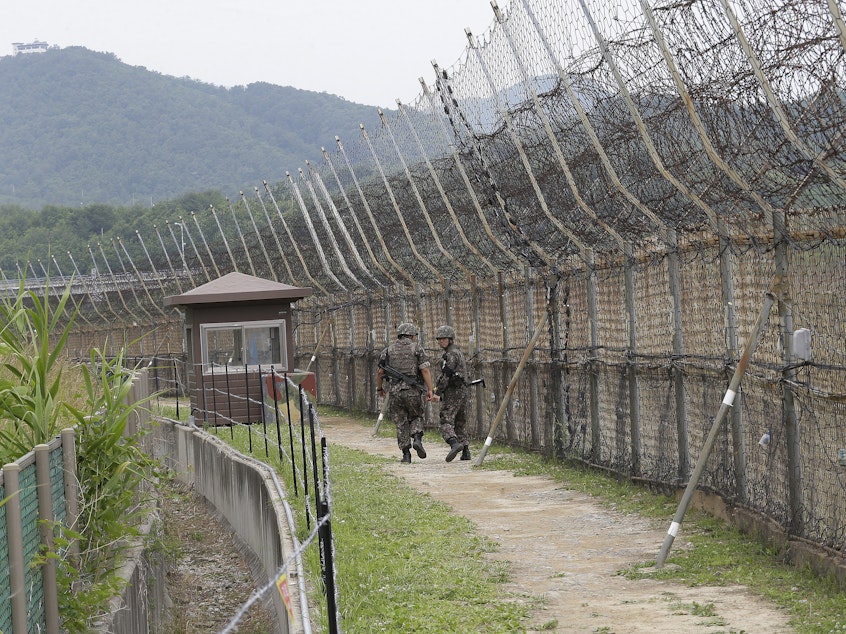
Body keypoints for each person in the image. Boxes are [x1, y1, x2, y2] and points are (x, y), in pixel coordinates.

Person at [376, 322, 435, 463]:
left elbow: (380, 372)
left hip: (395, 392)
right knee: (416, 416)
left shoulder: (388, 350)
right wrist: (430, 389)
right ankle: (417, 438)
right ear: (411, 335)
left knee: (401, 421)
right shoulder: (417, 349)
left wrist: (380, 388)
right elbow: (425, 370)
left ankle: (406, 455)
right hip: (413, 390)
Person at [434, 325, 471, 462]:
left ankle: (454, 443)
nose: (440, 342)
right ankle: (466, 451)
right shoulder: (458, 352)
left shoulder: (451, 354)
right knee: (460, 421)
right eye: (439, 339)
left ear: (450, 339)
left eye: (443, 339)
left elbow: (446, 375)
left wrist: (438, 391)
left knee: (446, 419)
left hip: (453, 391)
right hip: (462, 390)